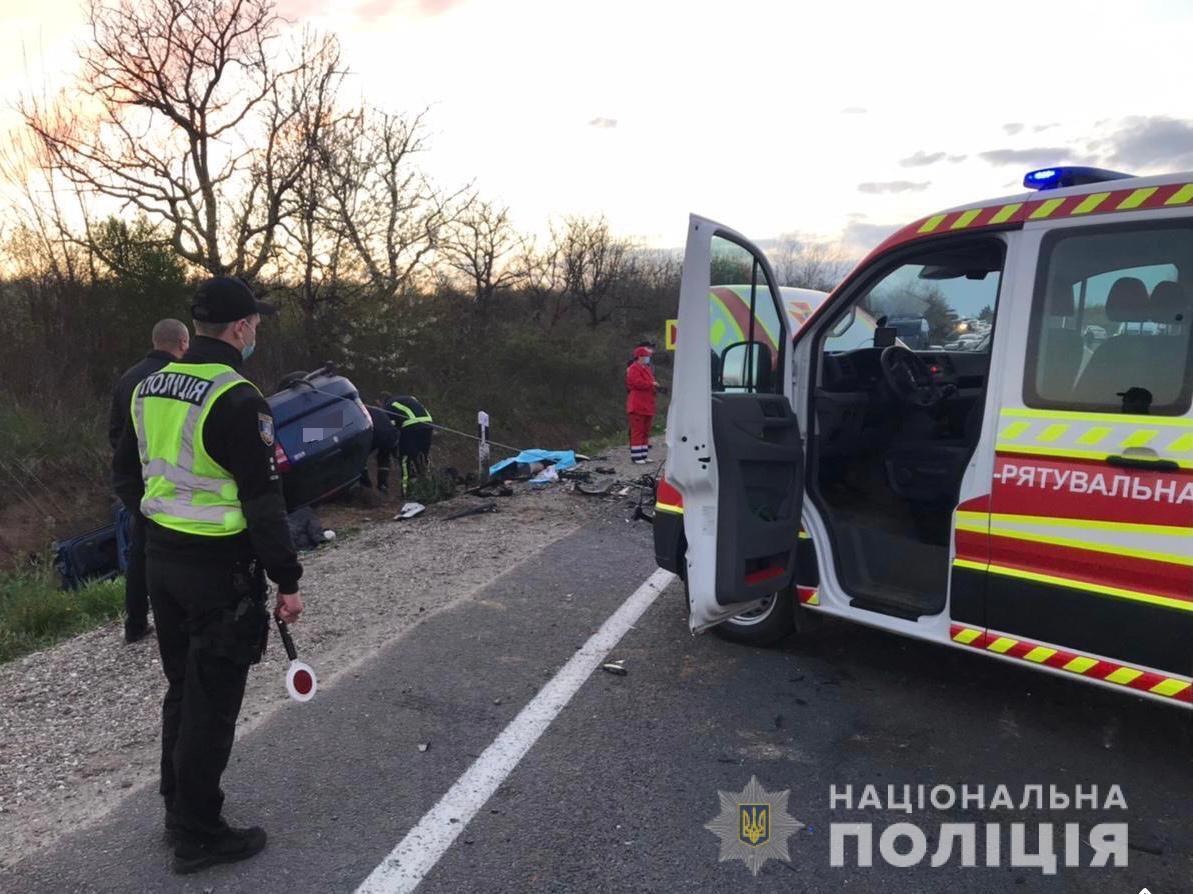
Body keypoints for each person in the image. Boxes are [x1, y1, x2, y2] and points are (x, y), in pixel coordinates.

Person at [112, 276, 303, 875]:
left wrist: (156, 523)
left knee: (182, 689)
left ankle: (178, 805)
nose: (257, 333)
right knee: (213, 702)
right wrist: (287, 580)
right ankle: (197, 833)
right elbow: (264, 502)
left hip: (162, 560)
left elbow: (124, 474)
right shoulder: (238, 397)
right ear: (242, 328)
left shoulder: (150, 386)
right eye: (257, 325)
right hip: (219, 570)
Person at [108, 318, 190, 643]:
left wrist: (135, 460)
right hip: (177, 479)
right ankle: (180, 615)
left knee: (141, 548)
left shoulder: (127, 379)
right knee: (181, 546)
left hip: (136, 479)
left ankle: (136, 622)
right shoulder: (180, 381)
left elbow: (115, 432)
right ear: (183, 344)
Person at [387, 394, 434, 492]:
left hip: (411, 426)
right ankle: (428, 487)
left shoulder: (388, 405)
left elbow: (391, 428)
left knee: (405, 458)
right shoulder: (406, 399)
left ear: (380, 401)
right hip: (428, 424)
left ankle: (406, 490)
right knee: (423, 457)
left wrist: (394, 448)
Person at [626, 345, 660, 464]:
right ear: (639, 357)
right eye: (646, 356)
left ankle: (643, 455)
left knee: (646, 431)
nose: (648, 358)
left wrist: (654, 386)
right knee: (638, 431)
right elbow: (637, 383)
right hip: (637, 404)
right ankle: (636, 457)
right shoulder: (633, 368)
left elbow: (650, 382)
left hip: (647, 404)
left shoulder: (647, 368)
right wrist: (652, 384)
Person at [361, 398, 399, 494]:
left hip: (374, 434)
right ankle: (383, 485)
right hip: (390, 435)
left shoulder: (357, 410)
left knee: (361, 457)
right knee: (384, 458)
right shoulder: (377, 410)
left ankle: (366, 484)